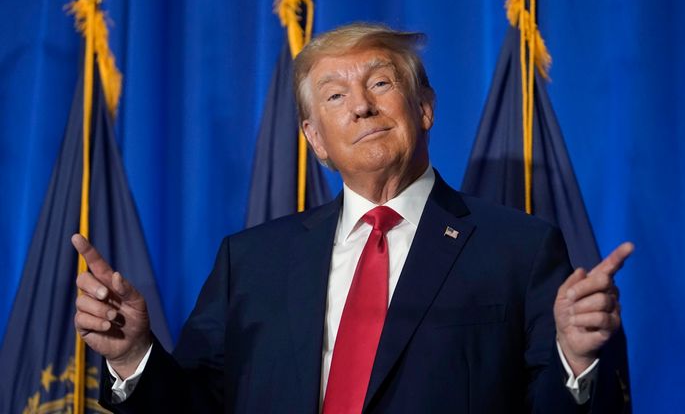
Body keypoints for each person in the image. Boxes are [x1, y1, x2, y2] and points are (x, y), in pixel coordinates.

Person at [74, 23, 632, 413]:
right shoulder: (250, 261)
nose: (361, 105)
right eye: (335, 96)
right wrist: (132, 356)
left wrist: (575, 360)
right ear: (315, 139)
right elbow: (196, 406)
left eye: (381, 83)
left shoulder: (520, 249)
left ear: (426, 107)